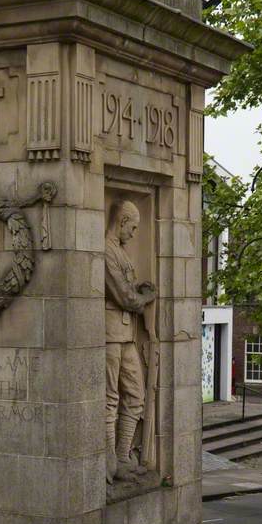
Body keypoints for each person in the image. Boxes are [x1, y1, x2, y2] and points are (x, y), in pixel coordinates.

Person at [104, 200, 156, 482]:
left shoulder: (120, 252)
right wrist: (144, 298)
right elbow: (123, 297)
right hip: (110, 334)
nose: (135, 233)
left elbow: (127, 291)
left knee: (136, 395)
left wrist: (139, 290)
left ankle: (123, 455)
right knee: (110, 398)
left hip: (126, 335)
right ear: (122, 221)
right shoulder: (106, 251)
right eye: (133, 227)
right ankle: (108, 460)